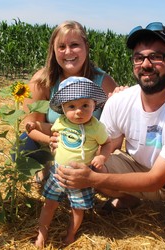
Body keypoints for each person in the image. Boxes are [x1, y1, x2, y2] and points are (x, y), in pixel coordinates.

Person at [55, 22, 165, 250]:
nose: (146, 64)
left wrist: (92, 179)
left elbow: (156, 178)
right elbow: (107, 144)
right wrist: (69, 152)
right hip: (134, 165)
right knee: (90, 160)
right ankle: (129, 198)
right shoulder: (120, 100)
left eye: (156, 57)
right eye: (139, 58)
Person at [21, 20, 118, 183]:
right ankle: (46, 167)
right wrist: (50, 141)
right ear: (53, 49)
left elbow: (117, 131)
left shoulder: (103, 82)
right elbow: (29, 124)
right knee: (23, 147)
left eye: (74, 45)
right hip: (56, 142)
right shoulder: (42, 80)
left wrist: (99, 156)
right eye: (61, 47)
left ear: (86, 47)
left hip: (90, 147)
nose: (68, 52)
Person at [32, 76, 112, 247]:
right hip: (58, 173)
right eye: (71, 106)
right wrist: (36, 125)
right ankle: (42, 233)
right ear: (63, 107)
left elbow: (107, 143)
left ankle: (70, 233)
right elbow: (49, 127)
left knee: (77, 209)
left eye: (85, 105)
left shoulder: (96, 127)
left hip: (80, 176)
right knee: (49, 204)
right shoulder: (61, 121)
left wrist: (102, 156)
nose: (78, 111)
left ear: (93, 105)